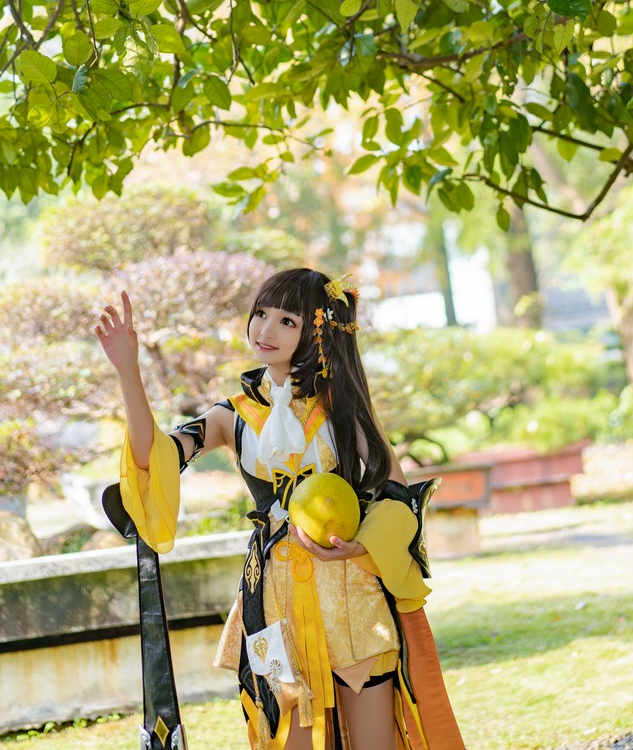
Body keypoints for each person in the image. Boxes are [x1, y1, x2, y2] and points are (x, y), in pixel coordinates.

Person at [95, 267, 465, 750]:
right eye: (261, 314)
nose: (265, 329)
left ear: (318, 331)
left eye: (287, 320)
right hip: (270, 601)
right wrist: (128, 370)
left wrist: (361, 546)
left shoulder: (341, 405)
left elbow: (395, 490)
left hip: (353, 597)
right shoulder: (231, 415)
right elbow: (154, 457)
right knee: (287, 734)